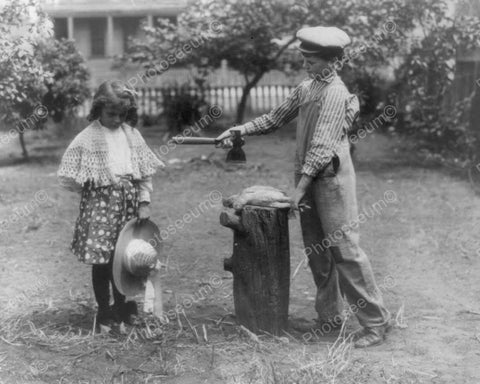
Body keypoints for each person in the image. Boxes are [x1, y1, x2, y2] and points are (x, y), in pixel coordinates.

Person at [216, 26, 391, 347]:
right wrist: (240, 129)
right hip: (307, 178)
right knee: (318, 252)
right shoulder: (308, 88)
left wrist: (298, 191)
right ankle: (329, 317)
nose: (305, 65)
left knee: (345, 250)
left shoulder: (336, 94)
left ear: (333, 61)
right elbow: (273, 118)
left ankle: (376, 322)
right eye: (304, 59)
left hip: (330, 179)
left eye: (311, 60)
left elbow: (323, 146)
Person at [57, 80, 164, 328]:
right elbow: (67, 175)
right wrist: (92, 191)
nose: (117, 119)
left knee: (124, 255)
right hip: (100, 207)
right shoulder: (87, 137)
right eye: (111, 114)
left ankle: (121, 305)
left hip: (127, 203)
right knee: (102, 259)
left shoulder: (131, 136)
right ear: (98, 110)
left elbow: (145, 173)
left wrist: (144, 202)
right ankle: (104, 310)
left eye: (122, 114)